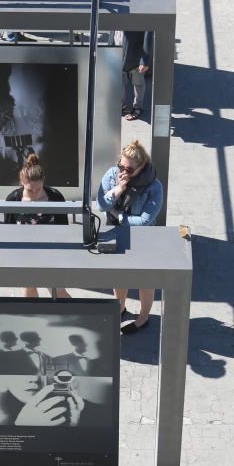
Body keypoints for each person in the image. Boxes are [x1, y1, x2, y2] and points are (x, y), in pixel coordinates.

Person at [96, 139, 163, 334]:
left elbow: (145, 221)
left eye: (130, 169)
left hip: (144, 238)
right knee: (119, 275)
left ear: (142, 167)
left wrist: (119, 216)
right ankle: (121, 307)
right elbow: (101, 205)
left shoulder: (153, 186)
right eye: (121, 166)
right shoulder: (111, 176)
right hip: (117, 234)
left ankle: (143, 318)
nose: (124, 172)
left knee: (145, 280)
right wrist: (118, 189)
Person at [4, 154, 71, 299]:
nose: (34, 194)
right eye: (29, 190)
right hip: (24, 253)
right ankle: (33, 318)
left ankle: (75, 318)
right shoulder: (13, 199)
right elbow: (8, 229)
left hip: (51, 251)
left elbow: (64, 228)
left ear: (43, 181)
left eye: (38, 189)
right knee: (29, 289)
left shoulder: (55, 197)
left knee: (58, 290)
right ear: (22, 182)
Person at [120, 0, 153, 121]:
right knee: (119, 83)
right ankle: (122, 106)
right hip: (119, 51)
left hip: (134, 54)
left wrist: (144, 60)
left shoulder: (145, 8)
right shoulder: (121, 2)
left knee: (138, 84)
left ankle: (137, 106)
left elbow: (148, 35)